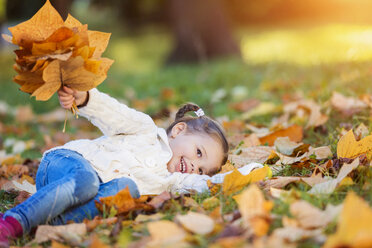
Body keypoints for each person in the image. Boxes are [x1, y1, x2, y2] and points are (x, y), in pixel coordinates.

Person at [0, 87, 262, 246]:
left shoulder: (171, 181)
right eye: (198, 152)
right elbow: (114, 113)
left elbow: (205, 185)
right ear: (179, 130)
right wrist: (86, 99)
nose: (195, 166)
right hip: (66, 165)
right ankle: (14, 221)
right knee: (88, 181)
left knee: (128, 190)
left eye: (202, 168)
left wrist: (244, 176)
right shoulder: (145, 130)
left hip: (71, 197)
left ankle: (46, 221)